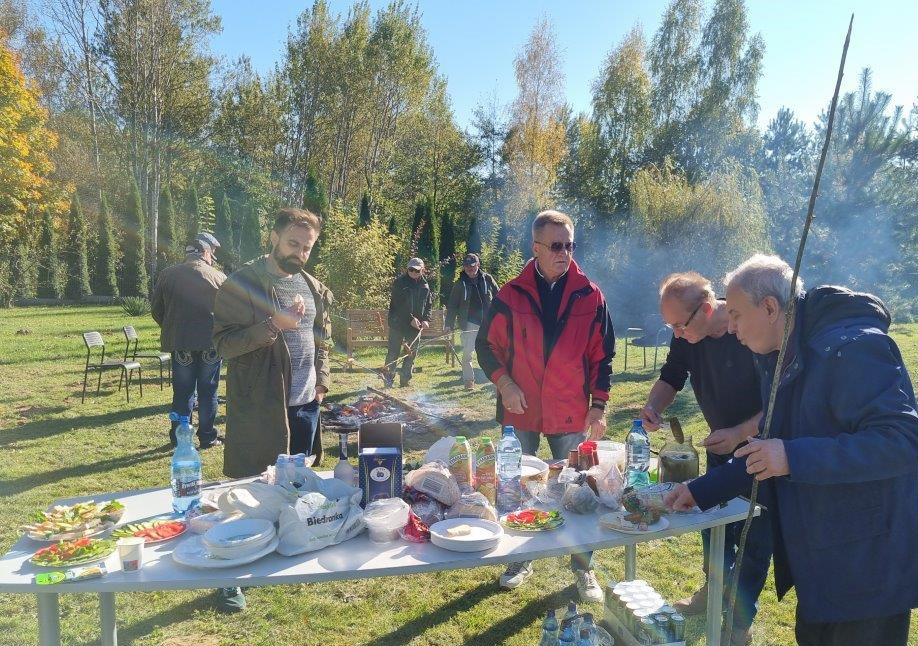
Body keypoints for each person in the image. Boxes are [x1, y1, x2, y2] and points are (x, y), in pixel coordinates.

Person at [665, 254, 918, 646]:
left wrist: (793, 457)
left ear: (770, 308)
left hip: (869, 568)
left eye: (735, 314)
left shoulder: (853, 348)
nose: (730, 328)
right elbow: (769, 445)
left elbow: (902, 441)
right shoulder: (779, 357)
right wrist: (699, 491)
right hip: (820, 560)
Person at [476, 210, 615, 603]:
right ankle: (521, 557)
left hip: (570, 411)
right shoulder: (510, 294)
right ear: (535, 248)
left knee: (579, 492)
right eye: (556, 246)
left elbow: (603, 355)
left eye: (570, 245)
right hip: (519, 411)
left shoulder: (591, 294)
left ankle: (584, 569)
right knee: (517, 488)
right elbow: (485, 345)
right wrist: (503, 383)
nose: (565, 253)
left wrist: (598, 406)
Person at [638, 271, 770, 646]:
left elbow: (779, 400)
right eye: (671, 326)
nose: (676, 333)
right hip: (719, 447)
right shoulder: (688, 335)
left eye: (679, 325)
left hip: (762, 450)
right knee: (713, 530)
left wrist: (740, 434)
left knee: (752, 540)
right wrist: (653, 405)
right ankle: (710, 592)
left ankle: (738, 625)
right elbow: (672, 374)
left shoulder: (751, 330)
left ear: (708, 309)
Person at [211, 208, 333, 612]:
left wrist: (322, 381)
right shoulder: (243, 282)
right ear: (275, 237)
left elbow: (323, 338)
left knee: (296, 487)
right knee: (251, 491)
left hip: (304, 403)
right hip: (262, 402)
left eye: (307, 247)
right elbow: (224, 344)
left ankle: (288, 552)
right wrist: (274, 325)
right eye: (293, 244)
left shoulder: (312, 285)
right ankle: (230, 577)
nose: (299, 253)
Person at [150, 232, 226, 449]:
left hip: (180, 342)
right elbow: (228, 313)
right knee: (208, 391)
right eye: (212, 255)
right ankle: (207, 437)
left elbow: (157, 310)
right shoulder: (219, 277)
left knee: (182, 392)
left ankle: (178, 437)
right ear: (205, 253)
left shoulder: (167, 275)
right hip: (210, 345)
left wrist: (173, 328)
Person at [445, 253, 499, 389]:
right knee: (467, 354)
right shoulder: (459, 283)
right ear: (464, 267)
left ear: (478, 265)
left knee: (494, 352)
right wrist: (448, 324)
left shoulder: (487, 278)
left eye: (472, 266)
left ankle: (496, 380)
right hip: (469, 323)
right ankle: (469, 382)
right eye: (467, 267)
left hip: (489, 323)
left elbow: (499, 296)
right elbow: (452, 305)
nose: (470, 269)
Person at [383, 257, 432, 387]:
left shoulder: (425, 285)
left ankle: (405, 380)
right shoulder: (399, 283)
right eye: (411, 269)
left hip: (415, 325)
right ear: (407, 269)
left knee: (411, 352)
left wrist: (426, 319)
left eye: (417, 270)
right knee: (393, 352)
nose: (413, 272)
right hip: (398, 322)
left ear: (422, 270)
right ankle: (388, 379)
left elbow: (428, 305)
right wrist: (410, 319)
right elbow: (399, 305)